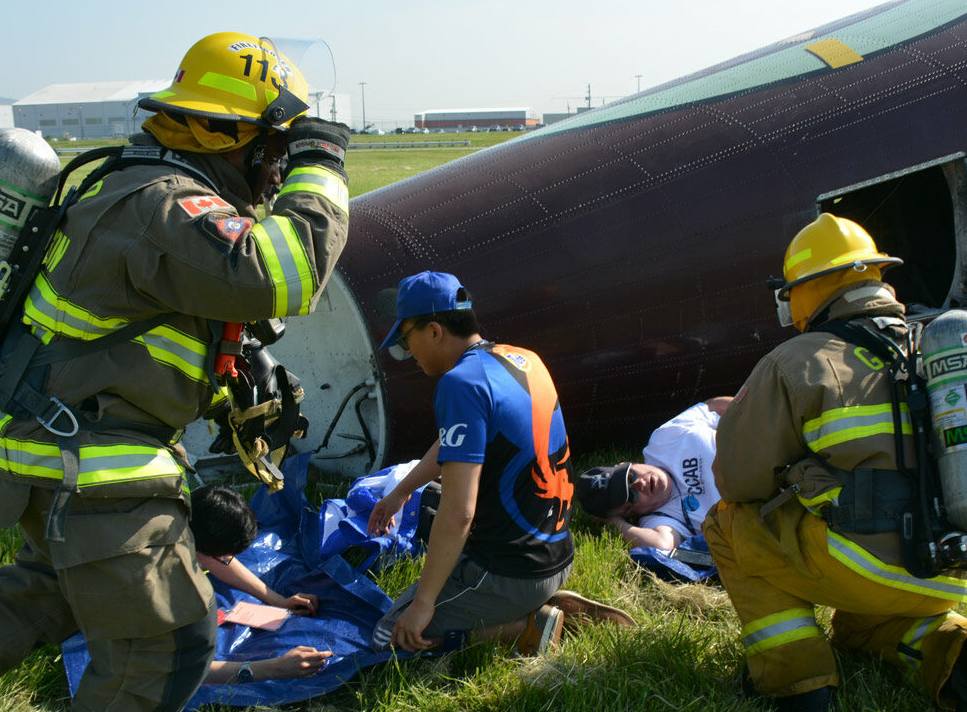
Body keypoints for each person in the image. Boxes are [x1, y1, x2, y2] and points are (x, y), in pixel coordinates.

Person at [0, 31, 350, 712]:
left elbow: (136, 334)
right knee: (167, 638)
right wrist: (325, 166)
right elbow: (280, 274)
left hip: (46, 445)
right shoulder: (165, 200)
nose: (279, 167)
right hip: (90, 465)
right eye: (278, 148)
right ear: (236, 136)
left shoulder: (135, 186)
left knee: (47, 591)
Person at [703, 213, 967, 712]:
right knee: (857, 628)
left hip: (863, 563)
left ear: (808, 291)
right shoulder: (940, 347)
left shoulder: (797, 360)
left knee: (726, 523)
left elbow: (738, 479)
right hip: (958, 566)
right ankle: (964, 656)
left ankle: (795, 685)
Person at [367, 271, 578, 656]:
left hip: (512, 573)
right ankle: (531, 602)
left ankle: (522, 626)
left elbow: (460, 513)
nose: (407, 353)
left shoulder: (460, 383)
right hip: (558, 553)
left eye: (405, 340)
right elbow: (457, 441)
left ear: (433, 331)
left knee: (389, 639)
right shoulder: (523, 358)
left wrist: (423, 604)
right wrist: (401, 491)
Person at [188, 484, 331, 685]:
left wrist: (278, 601)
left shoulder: (183, 520)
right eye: (224, 557)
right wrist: (273, 668)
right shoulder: (154, 584)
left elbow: (215, 559)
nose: (226, 562)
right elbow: (183, 670)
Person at [577, 398, 731, 550]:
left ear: (626, 464)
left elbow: (713, 407)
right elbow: (661, 545)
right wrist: (612, 522)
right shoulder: (662, 519)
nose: (640, 484)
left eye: (630, 476)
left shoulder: (663, 439)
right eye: (631, 496)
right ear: (632, 514)